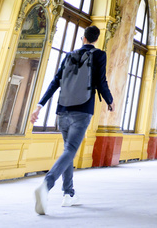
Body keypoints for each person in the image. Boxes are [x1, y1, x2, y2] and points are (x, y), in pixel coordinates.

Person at [30, 24, 114, 215]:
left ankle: (68, 194)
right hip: (82, 110)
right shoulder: (99, 55)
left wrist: (40, 105)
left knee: (68, 151)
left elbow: (55, 81)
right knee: (70, 150)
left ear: (83, 38)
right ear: (96, 39)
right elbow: (101, 81)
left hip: (62, 110)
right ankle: (46, 185)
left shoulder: (69, 55)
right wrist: (109, 100)